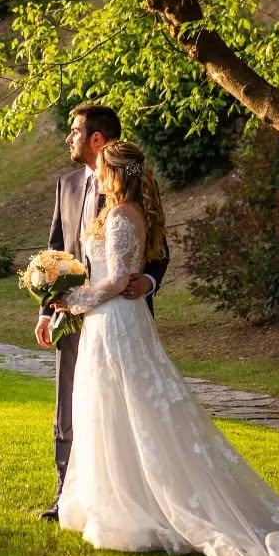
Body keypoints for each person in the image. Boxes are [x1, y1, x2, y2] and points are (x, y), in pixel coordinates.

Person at [52, 139, 279, 556]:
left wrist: (71, 299)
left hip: (113, 321)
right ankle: (122, 497)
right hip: (114, 320)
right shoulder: (129, 213)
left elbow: (115, 279)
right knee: (116, 410)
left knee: (123, 407)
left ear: (115, 174)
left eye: (106, 170)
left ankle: (138, 509)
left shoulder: (118, 215)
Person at [34, 104, 169, 521]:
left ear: (97, 139)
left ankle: (135, 494)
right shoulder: (68, 184)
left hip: (118, 315)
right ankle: (67, 496)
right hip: (72, 315)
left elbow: (156, 250)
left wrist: (146, 283)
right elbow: (55, 252)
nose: (68, 138)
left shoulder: (132, 194)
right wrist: (48, 308)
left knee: (122, 408)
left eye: (75, 131)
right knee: (72, 404)